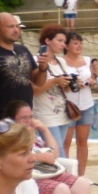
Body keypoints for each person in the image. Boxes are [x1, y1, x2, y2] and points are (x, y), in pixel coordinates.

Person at [6, 101, 90, 194]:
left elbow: (54, 153)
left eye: (31, 117)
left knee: (82, 184)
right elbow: (12, 159)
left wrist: (45, 130)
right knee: (61, 190)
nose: (29, 121)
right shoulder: (9, 138)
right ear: (11, 120)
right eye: (24, 118)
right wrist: (39, 157)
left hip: (46, 174)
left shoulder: (33, 135)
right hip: (28, 179)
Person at [31, 24, 73, 158]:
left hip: (62, 113)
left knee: (59, 150)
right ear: (47, 41)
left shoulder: (61, 61)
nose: (63, 45)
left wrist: (70, 83)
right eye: (59, 40)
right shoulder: (35, 60)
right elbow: (34, 91)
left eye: (64, 42)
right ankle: (65, 172)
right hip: (45, 115)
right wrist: (55, 81)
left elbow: (65, 89)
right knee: (58, 152)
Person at [62, 32, 95, 175]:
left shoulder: (87, 60)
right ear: (66, 46)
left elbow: (92, 77)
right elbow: (59, 84)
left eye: (80, 43)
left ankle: (81, 175)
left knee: (82, 141)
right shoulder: (61, 62)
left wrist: (91, 81)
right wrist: (72, 84)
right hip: (68, 105)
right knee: (65, 142)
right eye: (75, 43)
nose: (79, 46)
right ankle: (66, 175)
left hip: (86, 104)